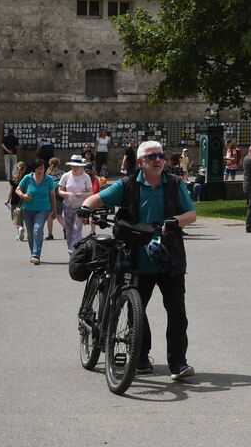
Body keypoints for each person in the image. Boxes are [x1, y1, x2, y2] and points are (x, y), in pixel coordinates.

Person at [80, 140, 198, 380]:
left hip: (169, 257)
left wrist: (175, 221)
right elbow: (97, 199)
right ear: (140, 162)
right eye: (152, 156)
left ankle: (179, 363)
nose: (158, 160)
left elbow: (191, 214)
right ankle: (141, 357)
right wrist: (84, 207)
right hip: (135, 257)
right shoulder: (128, 185)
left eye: (161, 155)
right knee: (136, 309)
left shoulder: (174, 184)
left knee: (177, 312)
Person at [16, 159, 57, 265]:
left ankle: (36, 254)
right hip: (27, 209)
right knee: (30, 234)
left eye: (42, 168)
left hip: (43, 209)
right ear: (34, 169)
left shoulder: (49, 179)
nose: (41, 170)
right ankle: (33, 254)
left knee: (38, 229)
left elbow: (52, 196)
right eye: (38, 168)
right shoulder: (27, 178)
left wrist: (54, 210)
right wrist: (23, 195)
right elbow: (18, 189)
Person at [57, 155, 95, 252]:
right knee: (69, 229)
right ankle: (71, 249)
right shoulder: (66, 176)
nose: (74, 168)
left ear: (81, 166)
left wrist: (82, 195)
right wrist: (67, 193)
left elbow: (91, 192)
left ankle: (75, 250)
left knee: (77, 229)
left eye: (77, 166)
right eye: (73, 166)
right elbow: (60, 191)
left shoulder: (86, 177)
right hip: (68, 206)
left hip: (80, 207)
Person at [8, 160, 27, 240]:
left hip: (14, 199)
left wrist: (8, 199)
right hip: (23, 199)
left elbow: (11, 190)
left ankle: (19, 229)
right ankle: (21, 229)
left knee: (14, 216)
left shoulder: (14, 177)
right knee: (21, 216)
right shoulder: (26, 178)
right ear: (25, 168)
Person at [45, 156, 63, 240]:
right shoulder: (63, 173)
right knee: (59, 215)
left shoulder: (47, 174)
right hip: (59, 196)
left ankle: (50, 234)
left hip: (49, 196)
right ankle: (66, 228)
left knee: (49, 215)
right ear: (58, 164)